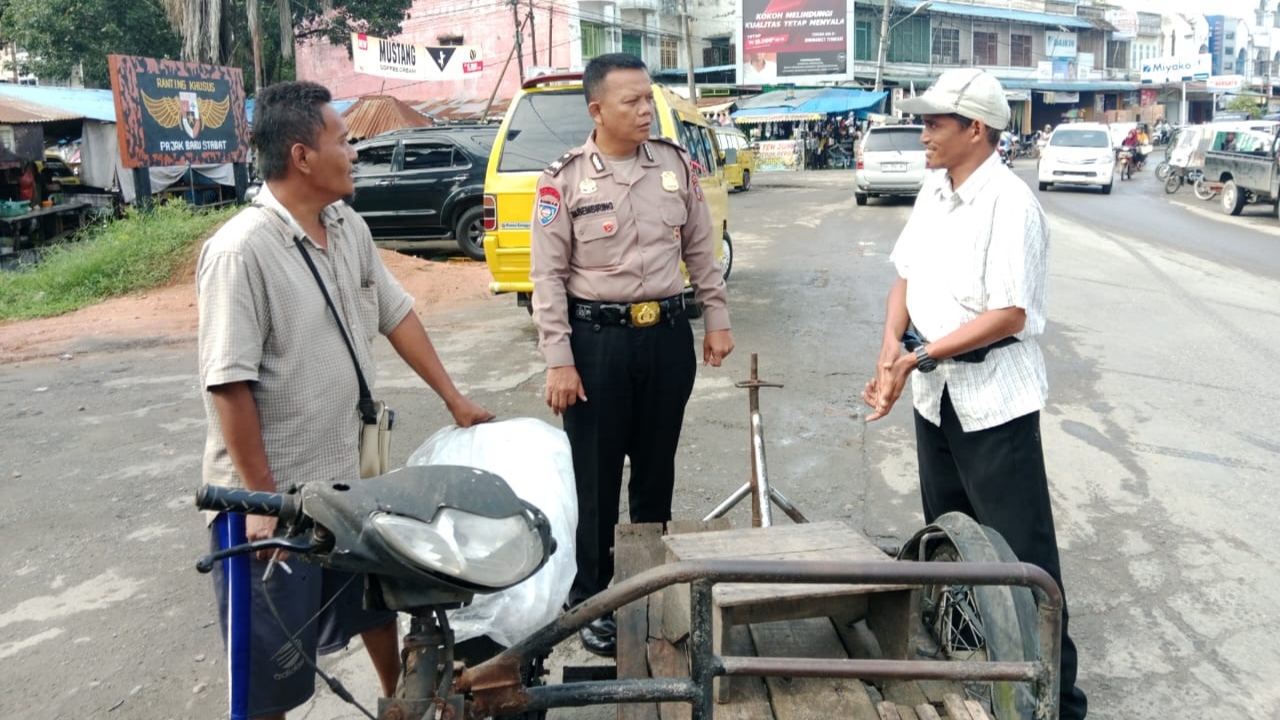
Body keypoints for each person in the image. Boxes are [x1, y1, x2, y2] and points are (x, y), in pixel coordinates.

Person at [197, 81, 493, 719]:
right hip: (273, 501)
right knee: (269, 668)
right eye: (344, 141)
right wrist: (262, 500)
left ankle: (399, 705)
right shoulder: (240, 251)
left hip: (348, 485)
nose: (356, 153)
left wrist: (454, 399)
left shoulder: (346, 225)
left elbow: (397, 314)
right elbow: (228, 382)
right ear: (303, 156)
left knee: (372, 604)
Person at [860, 68, 1088, 720]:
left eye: (934, 123)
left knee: (1021, 561)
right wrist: (890, 348)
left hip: (992, 401)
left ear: (975, 129)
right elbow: (905, 275)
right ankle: (980, 673)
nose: (923, 134)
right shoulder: (936, 188)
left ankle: (1058, 701)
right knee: (951, 544)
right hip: (936, 397)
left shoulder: (1011, 203)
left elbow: (1010, 314)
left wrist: (919, 355)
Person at [529, 53, 734, 657]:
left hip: (666, 337)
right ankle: (590, 599)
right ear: (597, 110)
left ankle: (647, 585)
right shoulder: (562, 181)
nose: (647, 110)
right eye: (632, 102)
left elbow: (702, 246)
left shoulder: (674, 165)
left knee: (655, 470)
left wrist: (715, 318)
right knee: (595, 479)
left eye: (649, 99)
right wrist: (558, 359)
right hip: (597, 346)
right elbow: (547, 278)